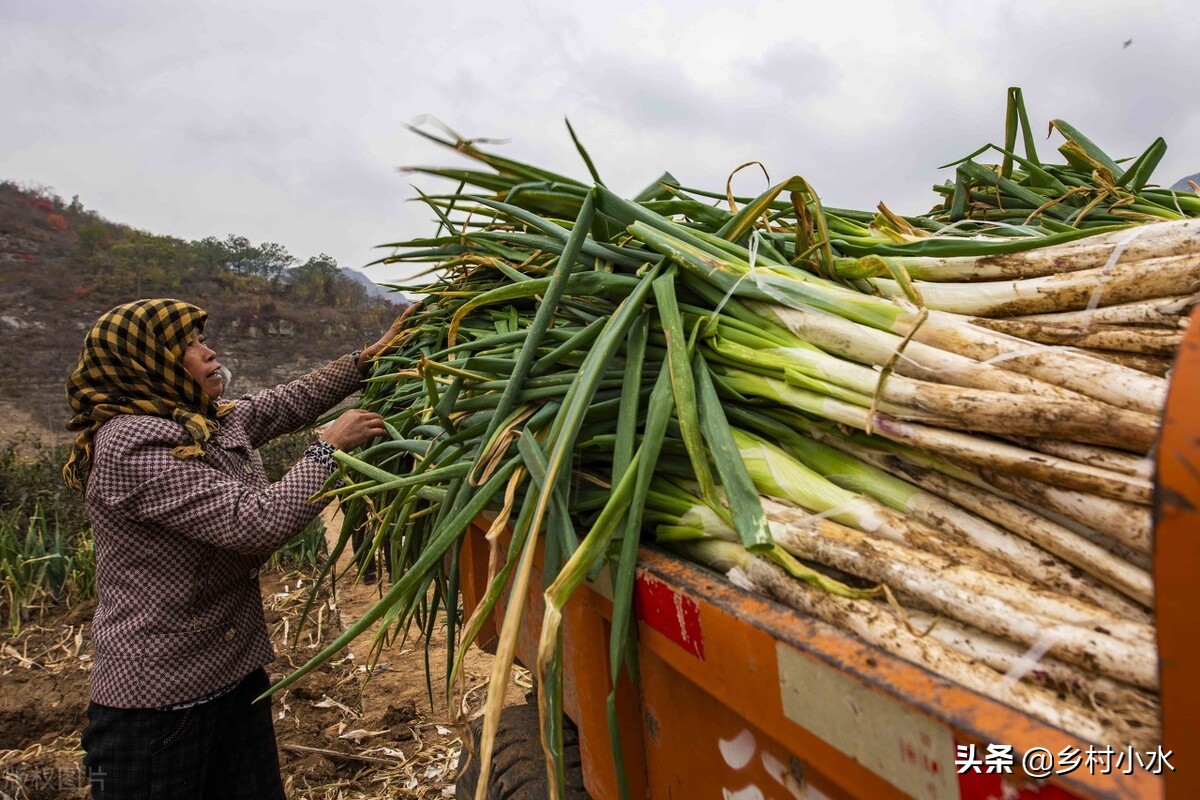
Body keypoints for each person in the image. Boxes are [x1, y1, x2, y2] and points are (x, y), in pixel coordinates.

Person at [64, 298, 415, 799]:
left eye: (202, 341)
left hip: (232, 678)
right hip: (158, 704)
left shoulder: (199, 418)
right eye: (188, 346)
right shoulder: (130, 445)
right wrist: (327, 450)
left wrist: (370, 359)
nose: (209, 353)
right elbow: (253, 521)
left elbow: (283, 402)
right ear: (144, 363)